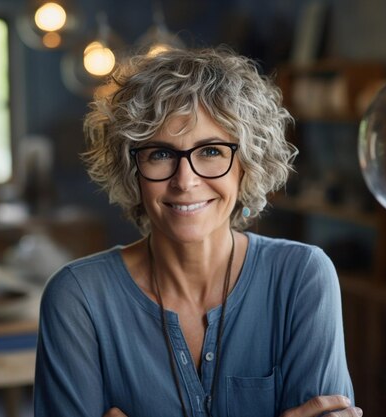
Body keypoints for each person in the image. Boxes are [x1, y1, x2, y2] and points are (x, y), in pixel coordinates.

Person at [34, 47, 361, 417]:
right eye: (160, 154)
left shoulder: (301, 277)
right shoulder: (79, 299)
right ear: (133, 171)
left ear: (247, 165)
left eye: (210, 151)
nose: (185, 181)